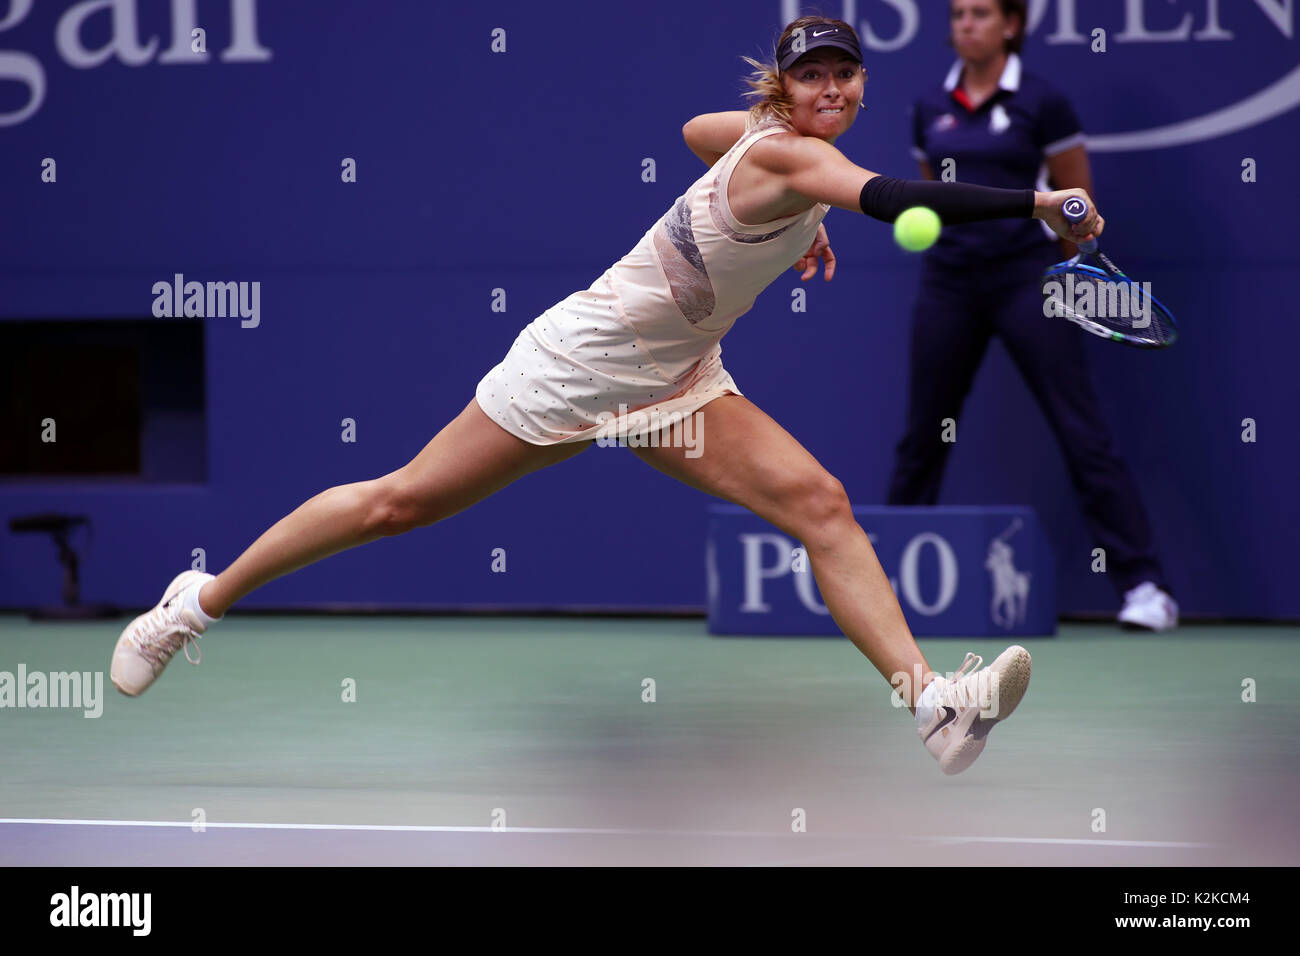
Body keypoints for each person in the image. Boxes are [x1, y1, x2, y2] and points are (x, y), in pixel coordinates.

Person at [111, 15, 1102, 775]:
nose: (831, 88)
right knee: (398, 501)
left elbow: (694, 130)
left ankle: (930, 699)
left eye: (843, 73)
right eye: (811, 75)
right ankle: (192, 602)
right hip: (577, 365)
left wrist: (803, 217)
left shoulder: (770, 139)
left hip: (676, 381)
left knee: (821, 504)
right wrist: (1035, 201)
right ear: (788, 86)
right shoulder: (794, 151)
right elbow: (901, 200)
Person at [887, 0, 1178, 631]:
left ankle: (1145, 587)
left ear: (1011, 26)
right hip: (949, 283)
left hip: (1029, 280)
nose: (966, 23)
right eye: (959, 14)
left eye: (982, 13)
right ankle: (883, 586)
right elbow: (932, 191)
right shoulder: (927, 106)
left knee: (1082, 433)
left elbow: (1074, 202)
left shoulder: (1044, 102)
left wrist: (1073, 280)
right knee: (922, 435)